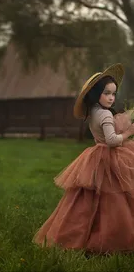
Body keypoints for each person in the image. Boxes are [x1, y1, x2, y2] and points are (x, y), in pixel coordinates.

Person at [33, 63, 134, 254]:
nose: (111, 98)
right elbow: (112, 141)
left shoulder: (93, 112)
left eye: (113, 93)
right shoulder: (104, 114)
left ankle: (78, 234)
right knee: (115, 197)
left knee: (87, 199)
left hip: (96, 155)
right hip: (111, 156)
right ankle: (112, 239)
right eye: (106, 93)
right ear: (96, 94)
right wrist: (128, 132)